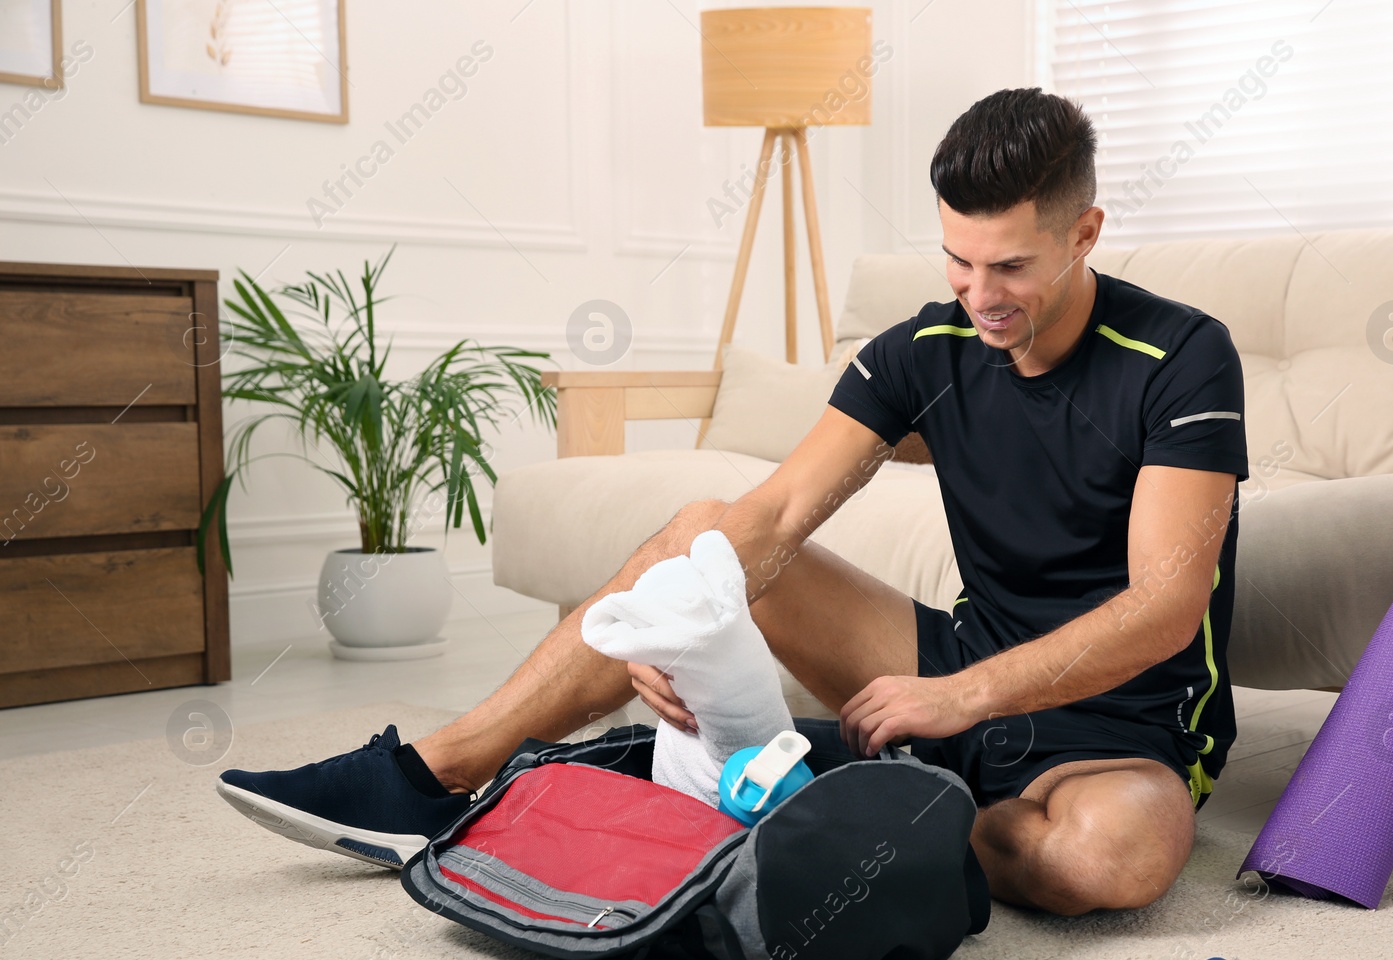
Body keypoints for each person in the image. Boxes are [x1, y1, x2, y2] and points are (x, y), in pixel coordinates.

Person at [218, 87, 1249, 917]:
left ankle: (832, 802)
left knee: (1109, 861)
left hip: (1120, 726)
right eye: (958, 259)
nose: (980, 294)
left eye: (1011, 265)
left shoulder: (1180, 356)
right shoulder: (925, 350)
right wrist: (674, 624)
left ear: (1085, 233)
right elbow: (771, 520)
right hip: (945, 667)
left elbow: (1164, 606)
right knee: (703, 531)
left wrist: (962, 699)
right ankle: (432, 771)